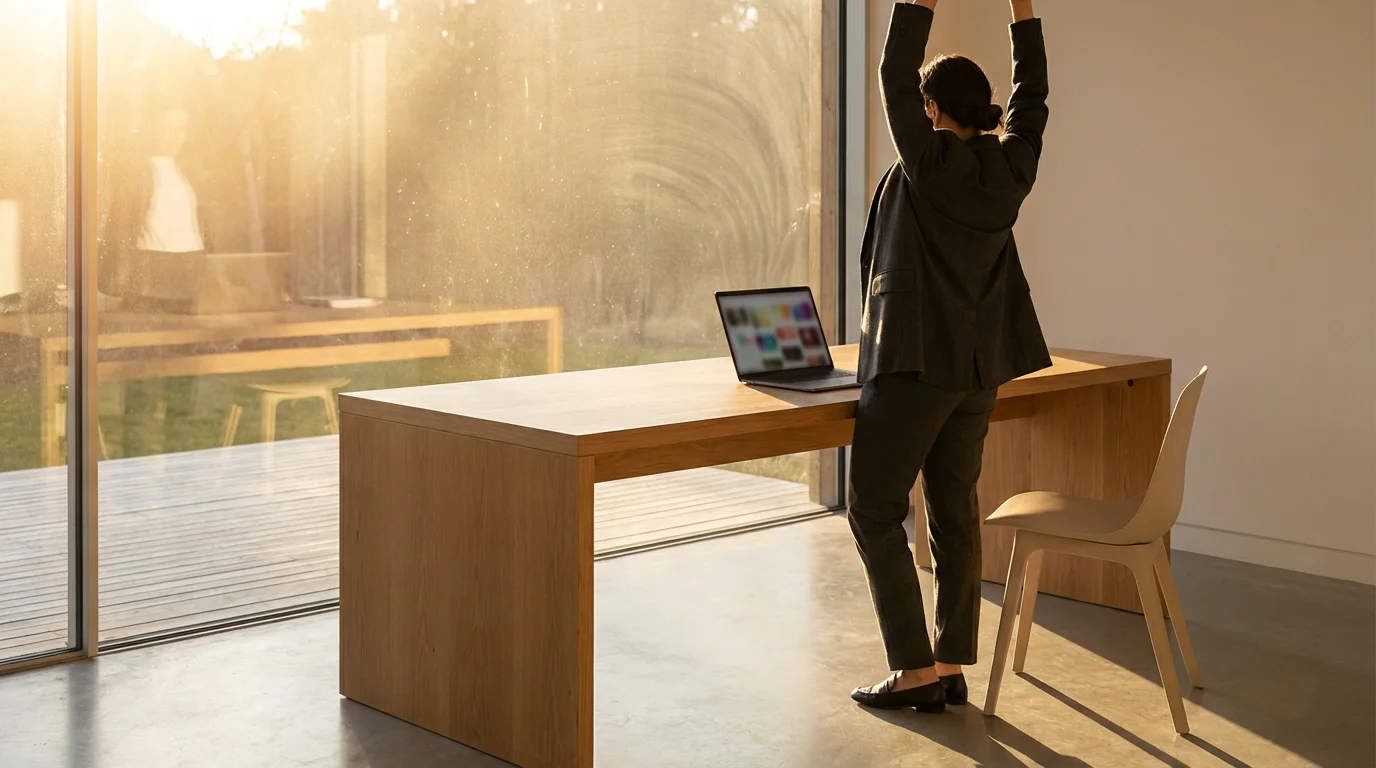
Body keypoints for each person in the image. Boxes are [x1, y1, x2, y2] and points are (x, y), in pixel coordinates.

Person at [848, 0, 1052, 712]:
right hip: (975, 371)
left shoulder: (930, 164)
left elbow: (888, 72)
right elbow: (1033, 98)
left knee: (873, 510)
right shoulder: (1011, 170)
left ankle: (912, 671)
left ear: (932, 110)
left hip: (913, 366)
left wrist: (919, 5)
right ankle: (949, 662)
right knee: (953, 512)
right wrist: (1022, 12)